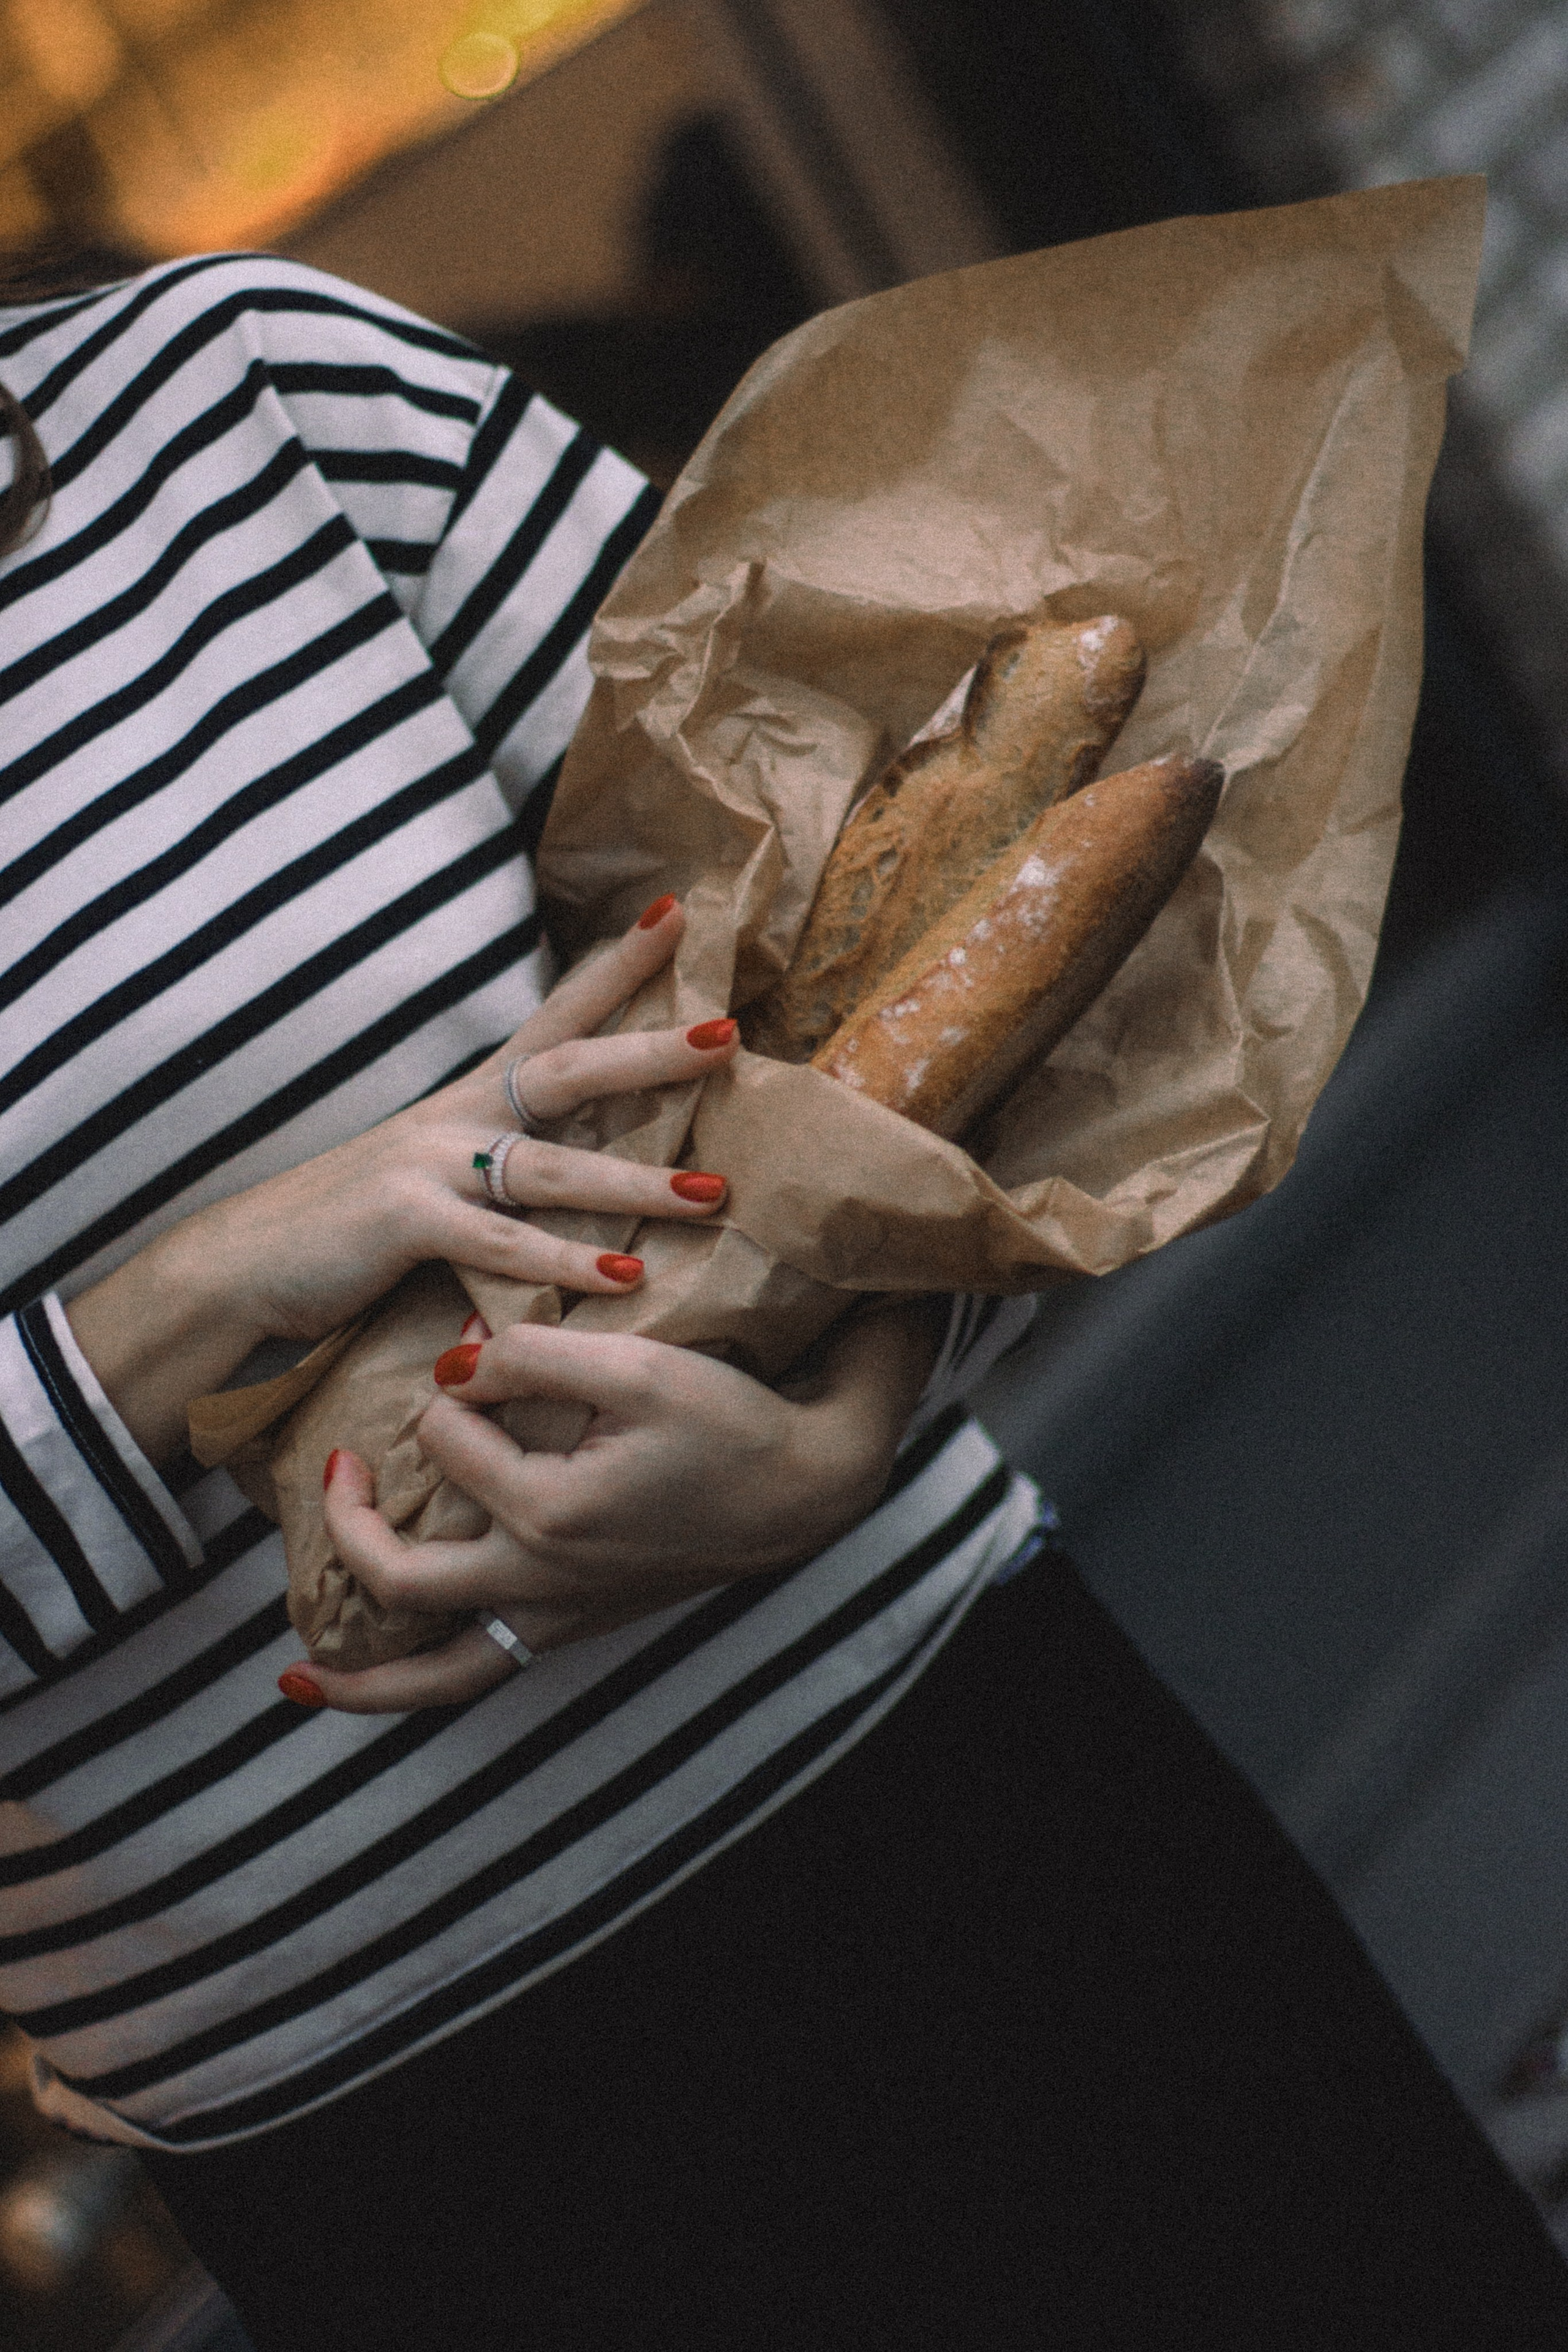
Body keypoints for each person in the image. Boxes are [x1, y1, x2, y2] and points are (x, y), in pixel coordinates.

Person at [1, 251, 1565, 2352]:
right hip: (412, 2156)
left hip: (982, 1815)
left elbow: (910, 966)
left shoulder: (241, 397)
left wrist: (845, 1433)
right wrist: (180, 1301)